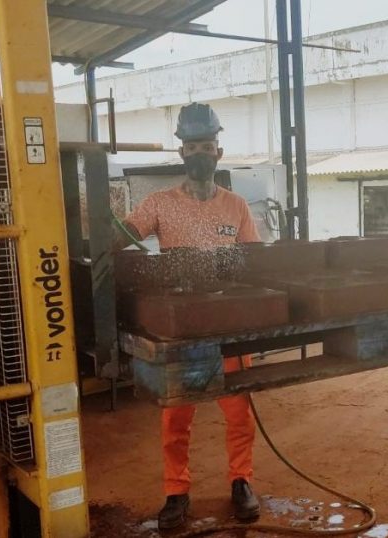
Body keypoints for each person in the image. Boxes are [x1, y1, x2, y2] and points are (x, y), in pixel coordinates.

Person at [116, 103, 262, 530]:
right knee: (175, 418)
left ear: (219, 152)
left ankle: (241, 481)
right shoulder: (159, 204)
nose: (200, 153)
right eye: (192, 146)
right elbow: (121, 238)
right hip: (179, 329)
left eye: (207, 146)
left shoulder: (236, 206)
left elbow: (254, 261)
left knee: (239, 413)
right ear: (182, 152)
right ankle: (176, 492)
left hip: (227, 325)